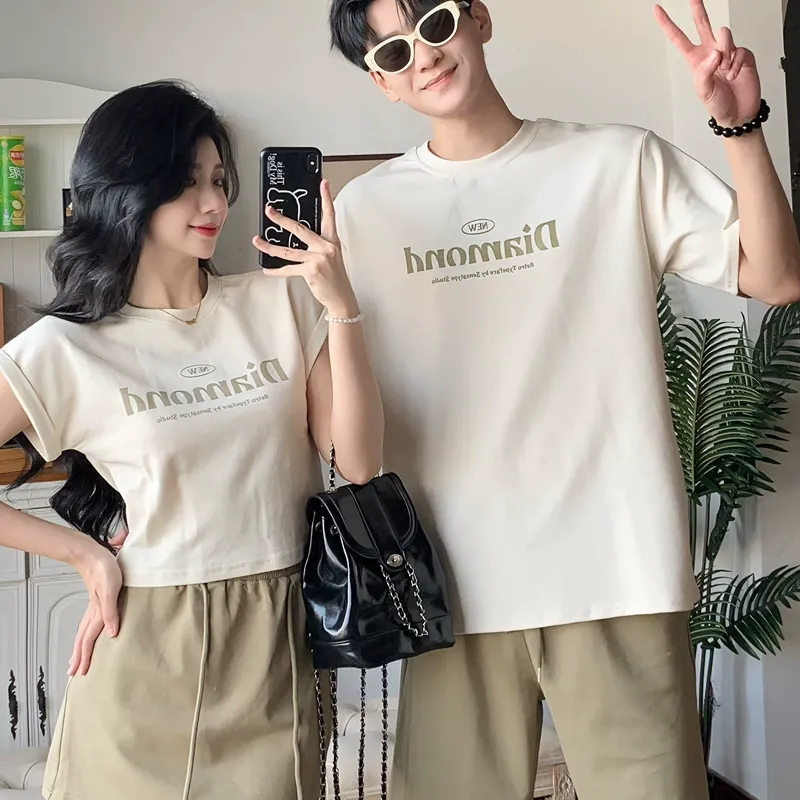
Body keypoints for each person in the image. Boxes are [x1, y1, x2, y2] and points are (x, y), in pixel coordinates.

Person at [321, 1, 800, 799]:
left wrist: (741, 126)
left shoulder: (615, 162)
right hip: (453, 587)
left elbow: (777, 276)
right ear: (383, 82)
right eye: (394, 52)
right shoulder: (363, 214)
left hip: (616, 568)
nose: (424, 56)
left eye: (435, 23)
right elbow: (342, 428)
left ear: (478, 18)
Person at [0, 80, 383, 800]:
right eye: (186, 183)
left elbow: (358, 465)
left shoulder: (279, 303)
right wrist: (82, 553)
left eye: (218, 180)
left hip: (277, 637)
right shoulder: (65, 347)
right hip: (149, 644)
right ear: (126, 192)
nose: (214, 204)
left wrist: (342, 307)